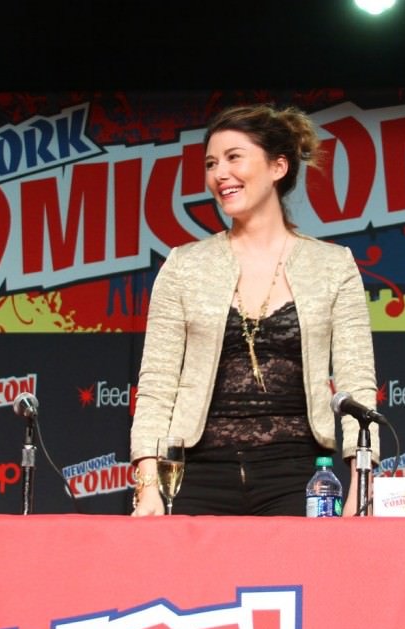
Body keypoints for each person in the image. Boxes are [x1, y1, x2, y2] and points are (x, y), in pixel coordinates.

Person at [129, 103, 379, 516]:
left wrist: (361, 487)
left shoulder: (333, 266)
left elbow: (357, 386)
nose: (219, 174)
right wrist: (148, 487)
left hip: (299, 476)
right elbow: (157, 385)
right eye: (211, 163)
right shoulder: (183, 265)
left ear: (278, 166)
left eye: (234, 158)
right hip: (197, 476)